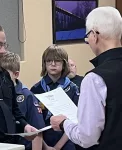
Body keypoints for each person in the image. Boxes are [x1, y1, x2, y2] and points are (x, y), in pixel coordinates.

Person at [50, 6, 122, 150]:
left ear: (95, 35)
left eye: (87, 36)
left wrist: (64, 123)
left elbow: (87, 137)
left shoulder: (95, 79)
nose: (88, 40)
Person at [0, 51, 55, 150]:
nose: (1, 79)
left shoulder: (26, 96)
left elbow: (37, 132)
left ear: (16, 74)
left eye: (5, 75)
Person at [31, 45, 79, 150]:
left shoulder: (72, 89)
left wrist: (58, 147)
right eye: (49, 61)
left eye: (57, 61)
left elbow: (75, 120)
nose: (53, 64)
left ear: (64, 64)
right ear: (44, 63)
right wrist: (45, 146)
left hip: (66, 139)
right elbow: (33, 122)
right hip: (42, 141)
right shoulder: (36, 89)